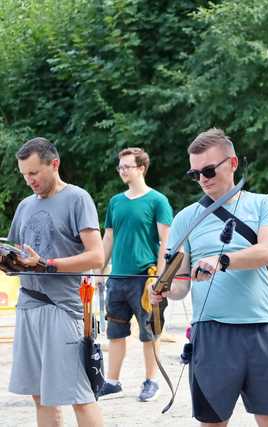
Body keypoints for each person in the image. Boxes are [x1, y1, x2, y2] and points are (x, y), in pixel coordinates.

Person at [149, 128, 268, 426]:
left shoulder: (263, 203)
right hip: (211, 335)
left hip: (262, 329)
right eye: (195, 173)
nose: (203, 178)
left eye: (210, 170)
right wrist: (161, 290)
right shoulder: (185, 219)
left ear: (233, 163)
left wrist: (222, 260)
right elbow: (178, 285)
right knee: (212, 422)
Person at [6, 137, 105, 426]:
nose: (29, 180)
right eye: (24, 174)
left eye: (34, 173)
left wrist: (48, 265)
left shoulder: (77, 198)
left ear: (54, 164)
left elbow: (96, 256)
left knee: (79, 395)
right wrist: (8, 262)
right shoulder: (24, 205)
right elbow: (16, 251)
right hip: (28, 306)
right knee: (40, 395)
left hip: (64, 308)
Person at [97, 147, 173, 401]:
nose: (122, 170)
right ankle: (112, 381)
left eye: (127, 166)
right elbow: (108, 237)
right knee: (115, 332)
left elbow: (166, 242)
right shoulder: (115, 202)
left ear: (141, 168)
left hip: (145, 278)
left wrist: (159, 278)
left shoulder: (157, 201)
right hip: (117, 278)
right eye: (120, 166)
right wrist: (99, 269)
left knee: (150, 332)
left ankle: (151, 380)